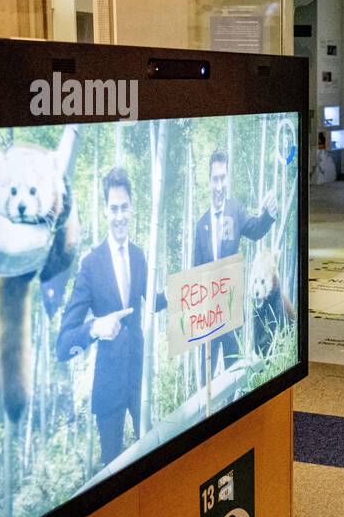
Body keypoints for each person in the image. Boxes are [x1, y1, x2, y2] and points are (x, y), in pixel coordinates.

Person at [57, 166, 167, 468]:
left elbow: (154, 303)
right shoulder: (91, 265)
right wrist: (95, 328)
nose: (119, 216)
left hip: (139, 379)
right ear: (106, 210)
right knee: (112, 472)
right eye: (113, 208)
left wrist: (179, 289)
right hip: (109, 389)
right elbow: (63, 345)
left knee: (150, 461)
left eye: (124, 208)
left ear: (132, 208)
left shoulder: (140, 255)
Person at [192, 149, 278, 373]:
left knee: (233, 374)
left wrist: (269, 214)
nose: (219, 186)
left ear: (227, 179)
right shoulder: (200, 225)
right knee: (206, 379)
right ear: (208, 181)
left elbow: (257, 229)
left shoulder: (236, 210)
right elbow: (194, 274)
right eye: (214, 179)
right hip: (207, 317)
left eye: (222, 178)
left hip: (231, 312)